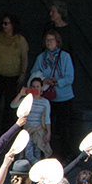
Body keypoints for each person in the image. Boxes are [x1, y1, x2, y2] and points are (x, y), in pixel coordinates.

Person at [29, 29, 75, 160]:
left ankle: (66, 155)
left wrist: (56, 81)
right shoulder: (41, 57)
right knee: (48, 127)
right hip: (47, 99)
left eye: (52, 40)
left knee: (64, 129)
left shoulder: (65, 56)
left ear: (57, 42)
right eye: (47, 40)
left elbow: (70, 78)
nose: (49, 42)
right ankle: (50, 154)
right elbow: (34, 74)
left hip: (64, 98)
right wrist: (44, 80)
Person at [0, 13, 29, 133]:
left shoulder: (20, 40)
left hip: (13, 76)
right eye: (3, 23)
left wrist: (23, 73)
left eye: (6, 23)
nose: (3, 26)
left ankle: (7, 130)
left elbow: (24, 57)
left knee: (10, 103)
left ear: (12, 25)